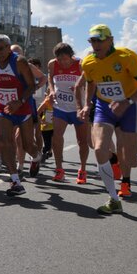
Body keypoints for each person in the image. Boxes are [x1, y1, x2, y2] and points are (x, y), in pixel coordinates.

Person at [78, 24, 137, 214]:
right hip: (105, 107)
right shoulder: (88, 62)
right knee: (100, 149)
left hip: (129, 107)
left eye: (100, 40)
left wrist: (128, 101)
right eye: (93, 40)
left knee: (128, 159)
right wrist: (87, 104)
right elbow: (90, 84)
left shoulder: (125, 56)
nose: (96, 44)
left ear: (110, 40)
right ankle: (113, 198)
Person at [0, 35, 40, 197]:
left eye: (1, 48)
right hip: (3, 108)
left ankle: (36, 158)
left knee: (27, 145)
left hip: (23, 108)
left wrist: (20, 100)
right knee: (3, 139)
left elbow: (32, 86)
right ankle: (15, 181)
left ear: (9, 47)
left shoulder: (19, 62)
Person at [46, 43, 89, 184]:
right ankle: (59, 169)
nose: (63, 62)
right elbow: (50, 78)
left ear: (71, 56)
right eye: (60, 59)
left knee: (82, 140)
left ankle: (82, 169)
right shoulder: (52, 64)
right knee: (56, 137)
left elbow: (89, 83)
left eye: (66, 59)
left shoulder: (80, 64)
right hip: (61, 107)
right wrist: (51, 90)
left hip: (78, 107)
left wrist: (79, 88)